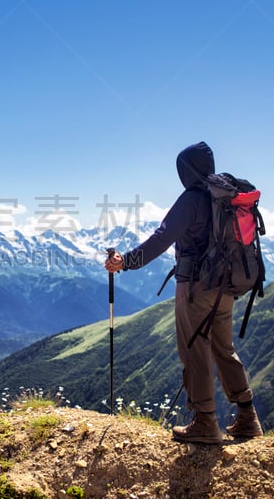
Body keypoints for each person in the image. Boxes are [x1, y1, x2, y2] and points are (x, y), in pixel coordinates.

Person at [105, 141, 262, 444]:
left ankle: (205, 423)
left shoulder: (191, 200)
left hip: (195, 288)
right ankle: (247, 417)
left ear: (186, 170)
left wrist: (125, 262)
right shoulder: (224, 200)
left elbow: (161, 239)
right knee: (224, 349)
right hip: (225, 288)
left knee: (195, 350)